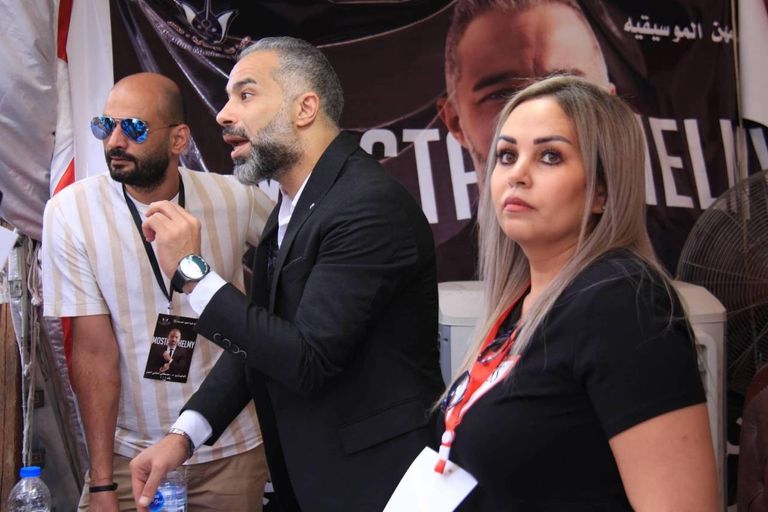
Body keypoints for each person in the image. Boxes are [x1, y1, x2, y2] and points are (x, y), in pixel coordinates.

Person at [129, 37, 445, 512]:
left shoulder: (367, 204)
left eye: (246, 94)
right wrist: (184, 436)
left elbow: (306, 360)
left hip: (378, 485)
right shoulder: (294, 205)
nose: (223, 114)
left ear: (305, 109)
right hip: (315, 478)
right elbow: (262, 339)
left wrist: (192, 273)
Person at [435, 76, 718, 510]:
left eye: (550, 156)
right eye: (506, 155)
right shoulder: (524, 303)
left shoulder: (621, 301)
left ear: (602, 190)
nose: (517, 175)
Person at [42, 72, 274, 511]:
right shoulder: (71, 213)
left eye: (134, 128)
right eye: (104, 126)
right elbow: (93, 353)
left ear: (178, 139)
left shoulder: (234, 198)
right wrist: (102, 483)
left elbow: (300, 260)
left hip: (230, 451)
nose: (114, 141)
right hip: (131, 456)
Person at [435, 0, 616, 281]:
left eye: (568, 90)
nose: (534, 112)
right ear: (455, 121)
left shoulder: (632, 293)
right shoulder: (434, 274)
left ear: (612, 110)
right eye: (503, 94)